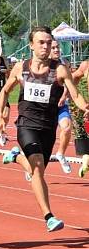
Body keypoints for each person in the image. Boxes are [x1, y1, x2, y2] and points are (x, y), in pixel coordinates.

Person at [0, 26, 89, 232]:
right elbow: (4, 91)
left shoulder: (60, 69)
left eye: (48, 42)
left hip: (48, 128)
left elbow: (75, 95)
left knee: (37, 171)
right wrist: (0, 118)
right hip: (26, 125)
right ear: (31, 45)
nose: (46, 46)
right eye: (41, 42)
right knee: (37, 167)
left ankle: (15, 156)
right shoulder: (21, 68)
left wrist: (86, 108)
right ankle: (49, 216)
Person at [49, 40, 85, 175]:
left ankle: (60, 154)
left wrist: (64, 96)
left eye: (57, 47)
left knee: (67, 127)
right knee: (44, 140)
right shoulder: (42, 65)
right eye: (53, 48)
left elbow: (68, 84)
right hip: (45, 107)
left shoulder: (65, 63)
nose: (56, 49)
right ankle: (32, 166)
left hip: (61, 105)